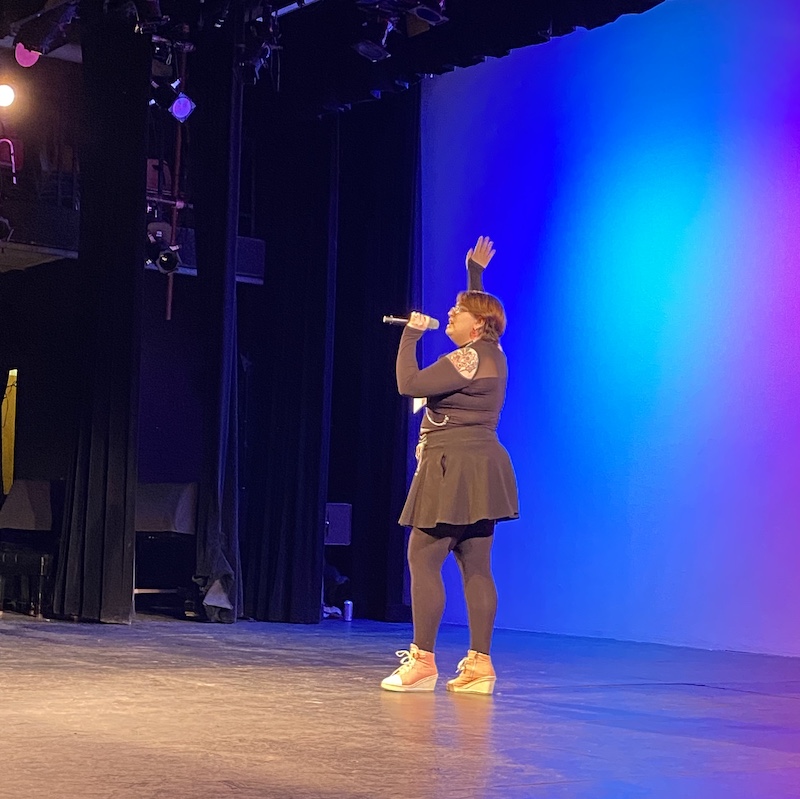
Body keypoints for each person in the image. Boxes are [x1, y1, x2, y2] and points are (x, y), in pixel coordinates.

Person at [381, 236, 519, 695]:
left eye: (458, 312)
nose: (450, 314)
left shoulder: (466, 356)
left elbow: (409, 384)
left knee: (422, 557)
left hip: (453, 464)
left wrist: (410, 335)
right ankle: (480, 665)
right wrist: (474, 275)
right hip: (485, 466)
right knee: (476, 565)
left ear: (477, 324)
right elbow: (482, 313)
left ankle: (422, 662)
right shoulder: (494, 353)